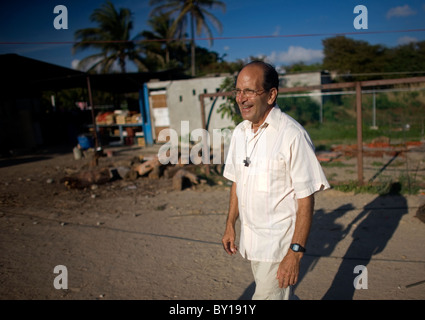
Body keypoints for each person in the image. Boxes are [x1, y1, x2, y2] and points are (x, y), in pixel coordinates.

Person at [222, 61, 330, 300]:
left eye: (250, 91)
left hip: (278, 246)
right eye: (238, 91)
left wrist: (295, 252)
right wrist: (231, 223)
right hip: (253, 242)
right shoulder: (240, 133)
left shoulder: (292, 136)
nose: (241, 98)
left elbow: (305, 197)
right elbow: (237, 181)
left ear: (271, 95)